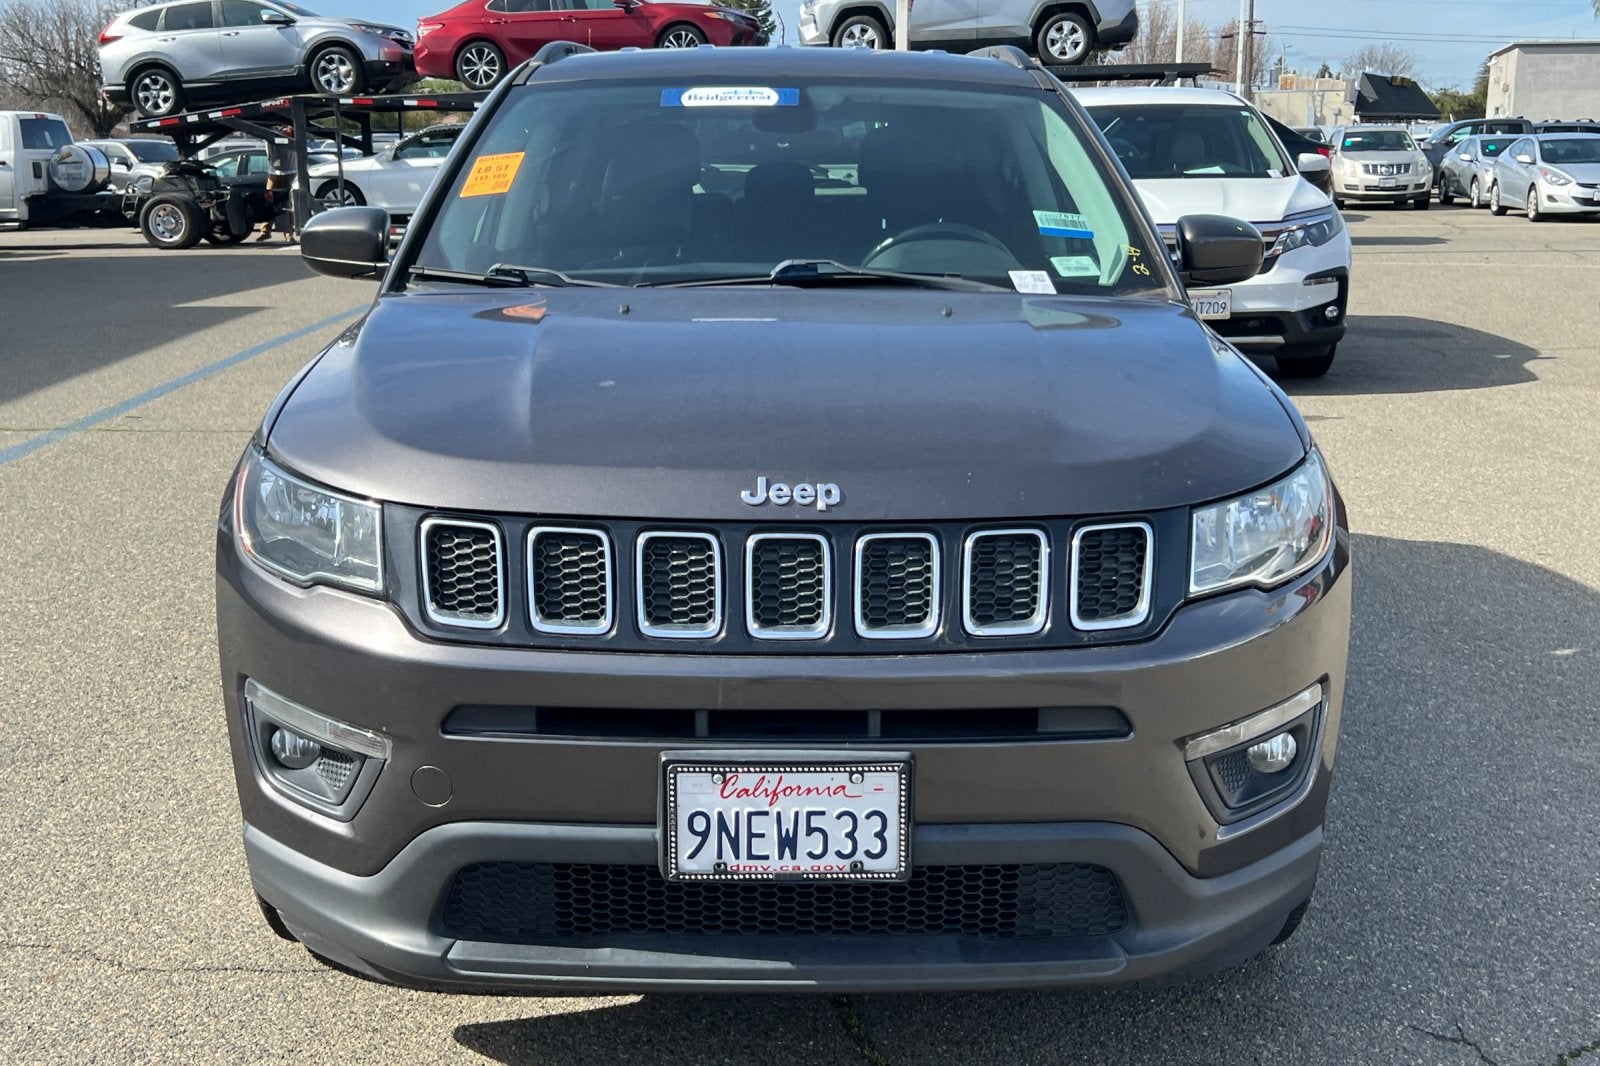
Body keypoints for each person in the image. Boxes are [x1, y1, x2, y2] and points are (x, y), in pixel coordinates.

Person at [257, 127, 296, 241]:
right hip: (274, 172)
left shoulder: (290, 129)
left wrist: (287, 131)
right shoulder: (271, 130)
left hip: (290, 172)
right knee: (268, 201)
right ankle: (265, 230)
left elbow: (291, 132)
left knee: (286, 204)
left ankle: (288, 233)